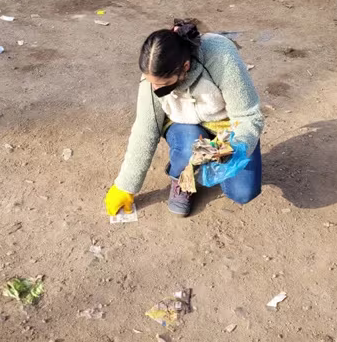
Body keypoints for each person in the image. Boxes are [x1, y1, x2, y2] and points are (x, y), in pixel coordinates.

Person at [104, 22, 264, 217]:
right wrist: (125, 185)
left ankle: (206, 164)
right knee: (189, 144)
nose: (155, 90)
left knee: (242, 192)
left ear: (185, 67)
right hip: (183, 125)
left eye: (163, 84)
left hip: (226, 129)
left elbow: (249, 116)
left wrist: (234, 147)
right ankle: (182, 179)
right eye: (151, 83)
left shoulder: (221, 55)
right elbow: (145, 129)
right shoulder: (155, 72)